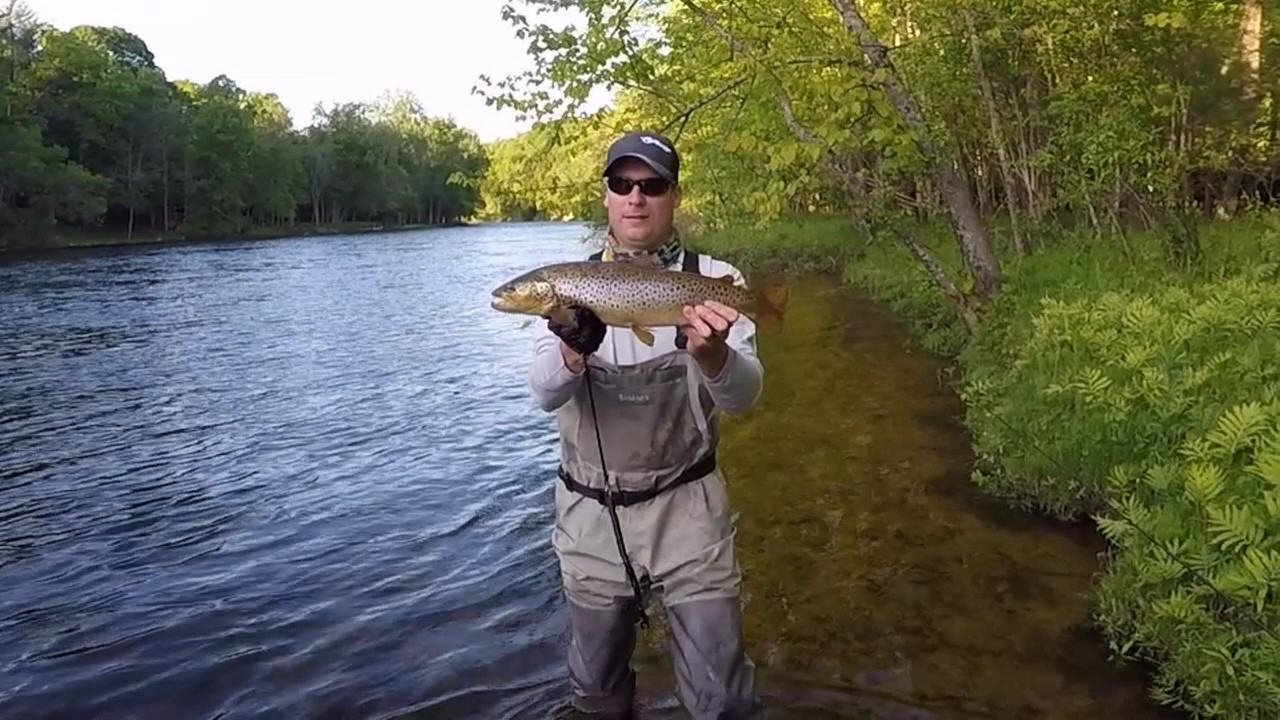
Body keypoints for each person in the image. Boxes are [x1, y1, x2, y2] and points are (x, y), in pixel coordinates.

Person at [527, 131, 764, 719]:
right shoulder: (567, 288)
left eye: (652, 185)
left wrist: (712, 355)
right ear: (606, 197)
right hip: (591, 516)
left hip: (691, 512)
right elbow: (541, 393)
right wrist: (573, 351)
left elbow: (743, 399)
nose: (636, 197)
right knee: (597, 694)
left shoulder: (716, 278)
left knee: (722, 698)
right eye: (621, 184)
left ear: (674, 197)